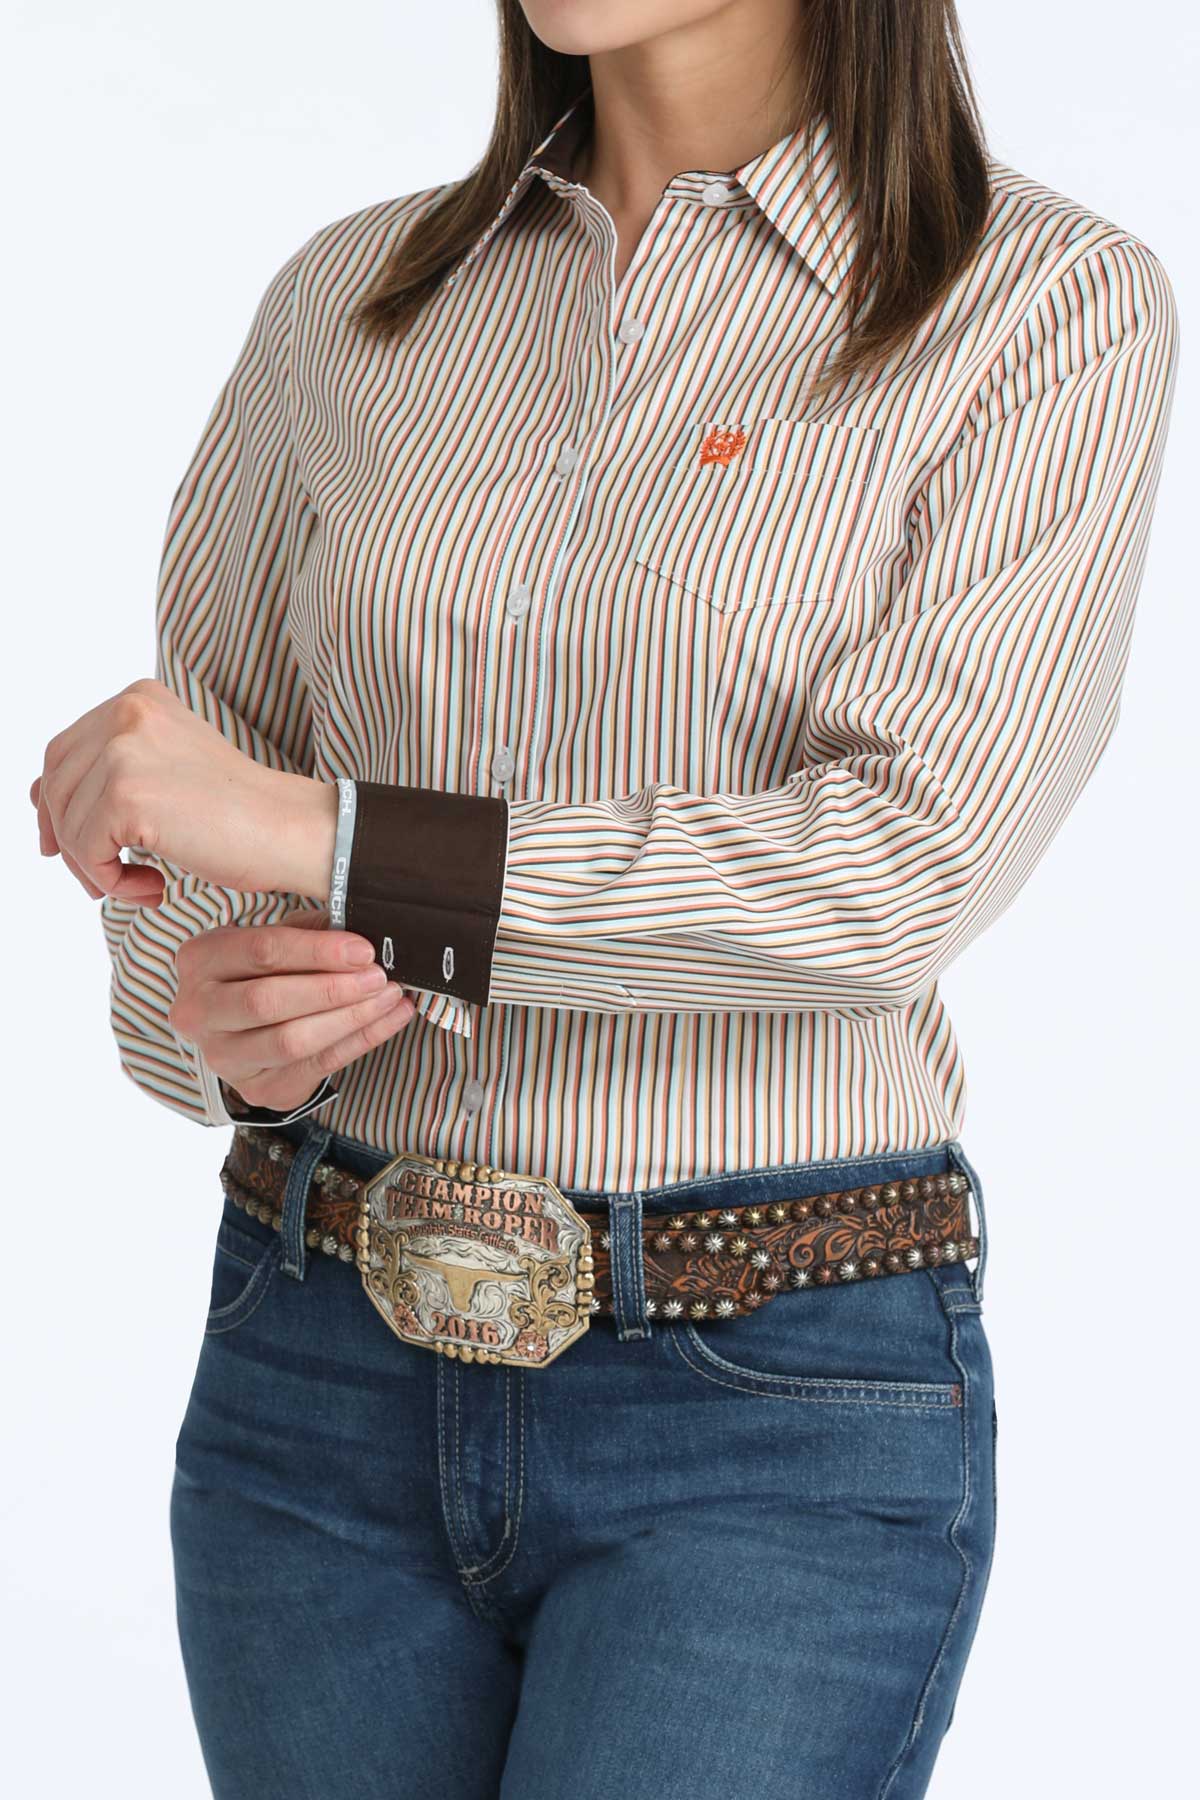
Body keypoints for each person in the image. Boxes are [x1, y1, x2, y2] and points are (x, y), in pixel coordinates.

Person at [31, 1, 1179, 1795]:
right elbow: (196, 805)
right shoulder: (350, 303)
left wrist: (335, 841)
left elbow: (889, 871)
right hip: (313, 1371)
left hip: (768, 1406)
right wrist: (219, 1024)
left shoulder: (1040, 307)